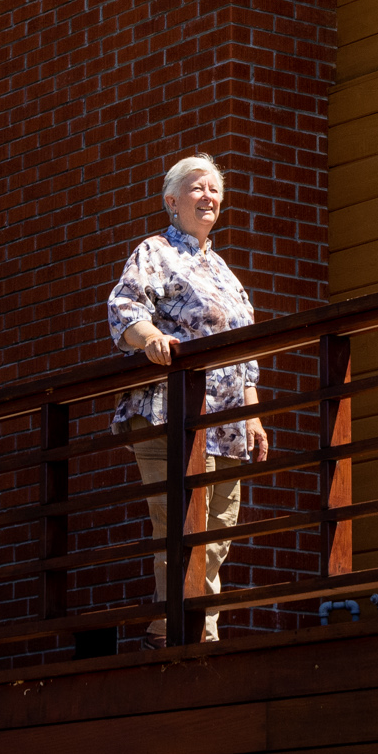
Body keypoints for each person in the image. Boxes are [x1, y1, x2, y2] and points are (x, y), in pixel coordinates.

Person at [105, 152, 267, 649]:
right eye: (197, 188)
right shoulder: (155, 252)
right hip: (167, 411)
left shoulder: (222, 270)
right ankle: (178, 635)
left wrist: (254, 414)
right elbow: (124, 305)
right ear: (171, 201)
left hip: (226, 421)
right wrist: (149, 336)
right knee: (177, 524)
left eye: (215, 189)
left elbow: (246, 352)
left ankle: (194, 631)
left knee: (217, 534)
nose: (209, 196)